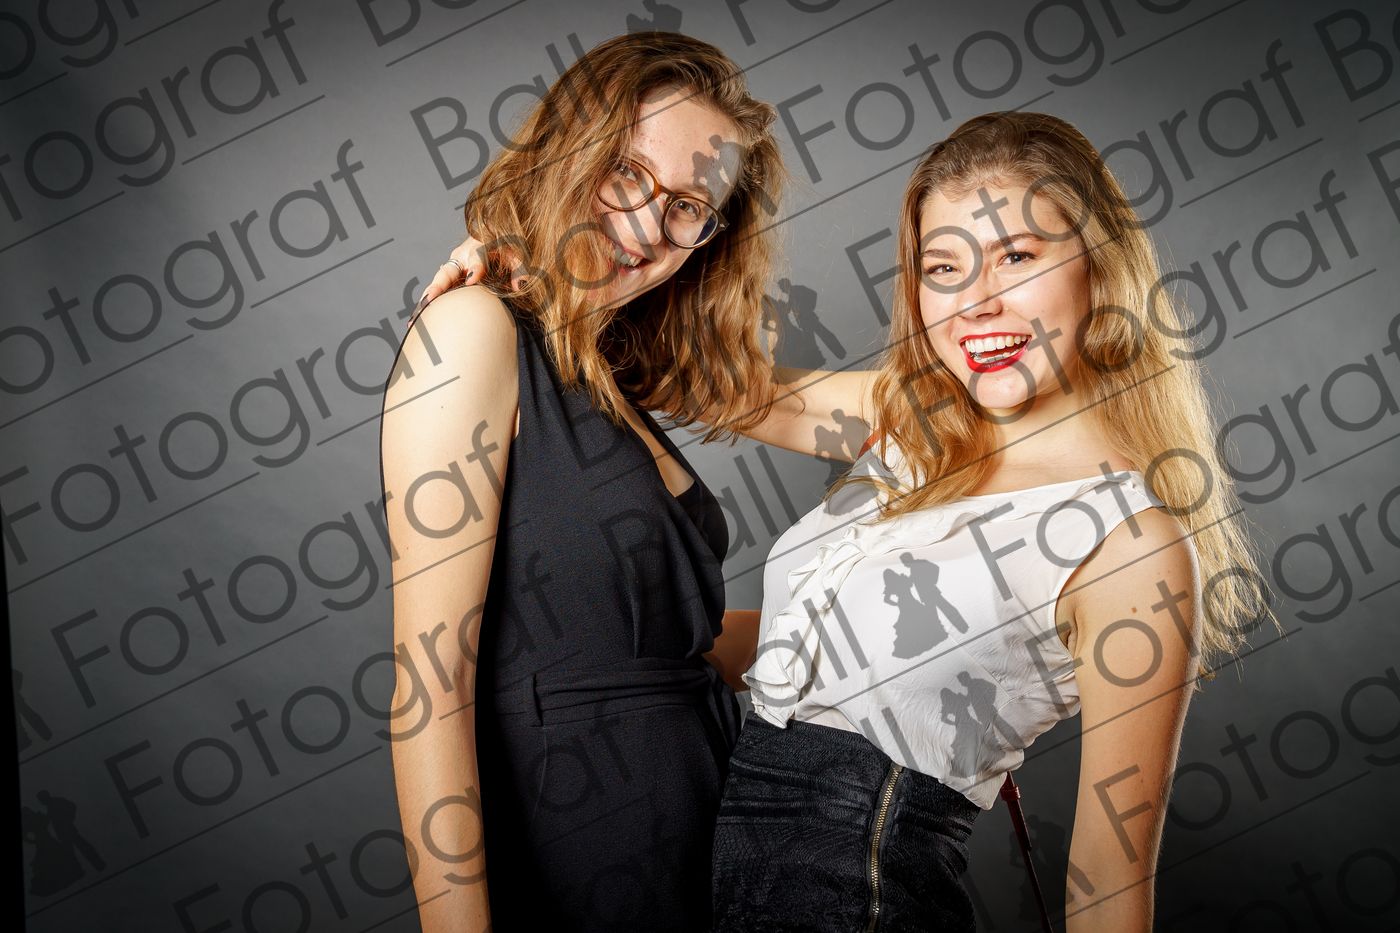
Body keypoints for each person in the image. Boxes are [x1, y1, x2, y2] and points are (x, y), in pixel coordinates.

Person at [424, 111, 1273, 930]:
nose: (977, 301)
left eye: (1016, 256)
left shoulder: (1131, 546)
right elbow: (660, 373)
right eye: (943, 267)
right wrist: (525, 272)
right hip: (711, 890)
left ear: (1100, 265)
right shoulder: (913, 422)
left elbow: (1108, 881)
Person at [379, 32, 784, 932]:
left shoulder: (609, 375)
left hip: (715, 854)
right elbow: (430, 691)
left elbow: (659, 651)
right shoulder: (472, 332)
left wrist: (896, 632)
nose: (646, 226)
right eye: (627, 172)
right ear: (568, 150)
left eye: (688, 207)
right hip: (584, 861)